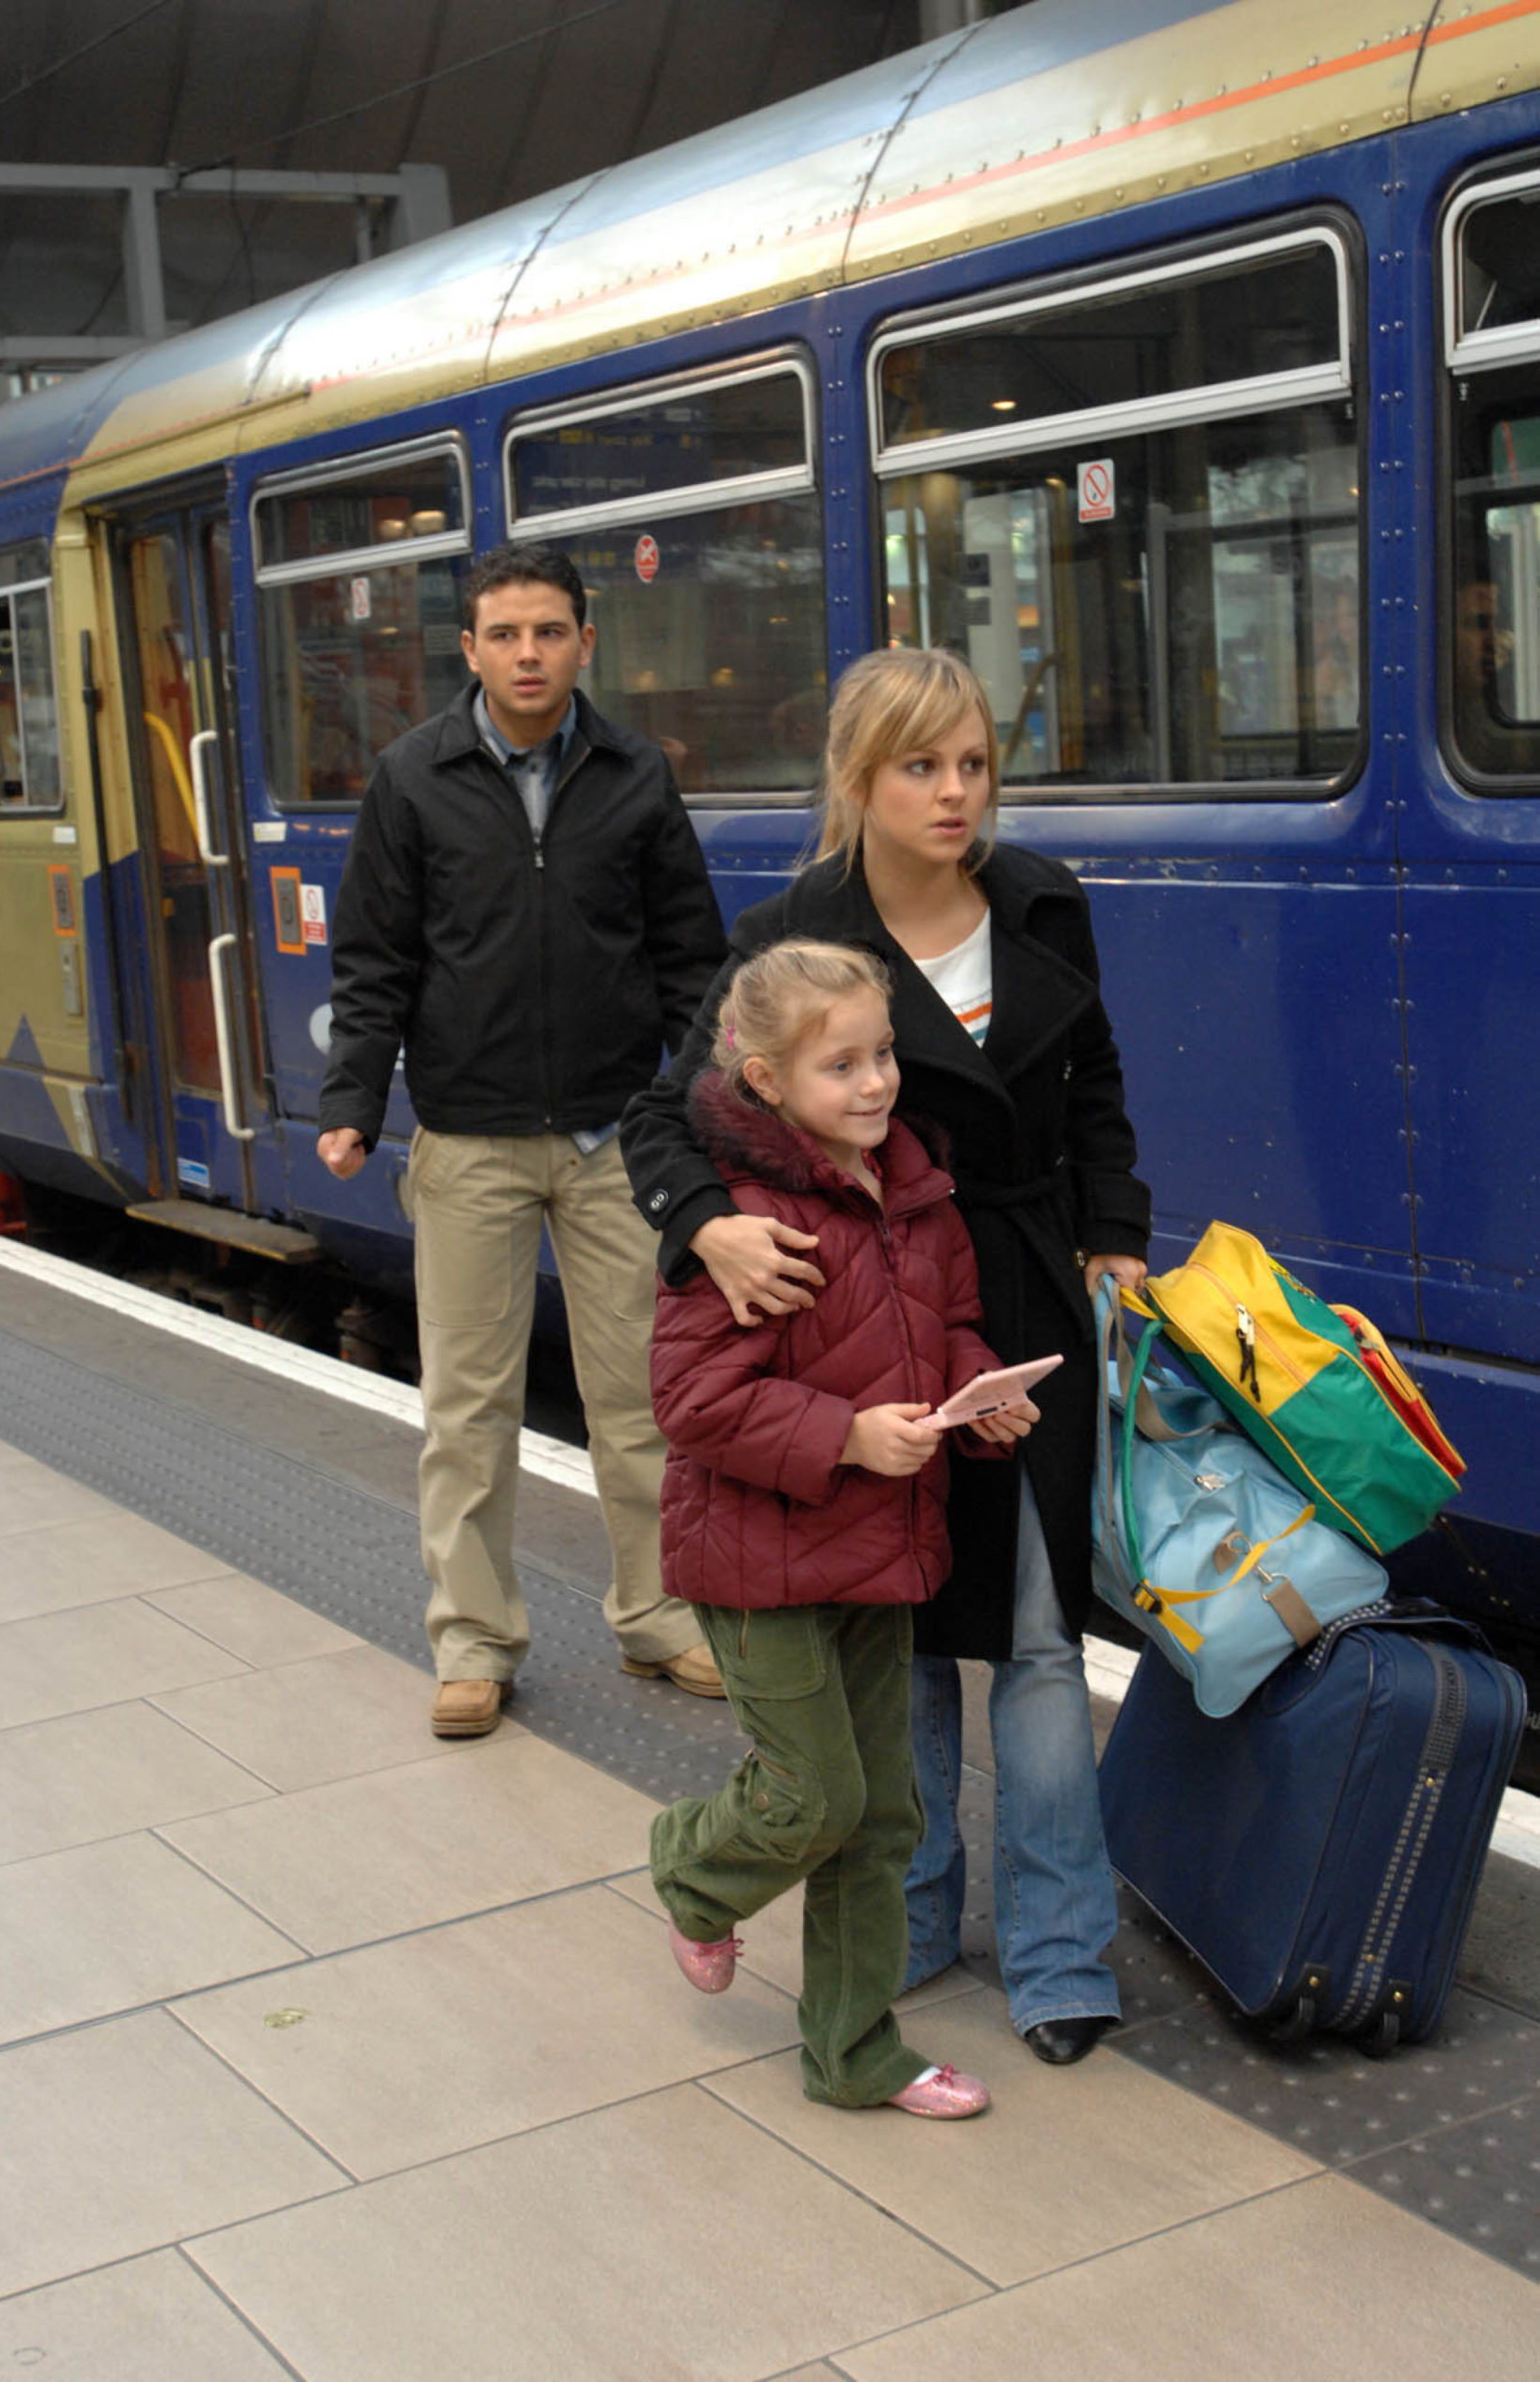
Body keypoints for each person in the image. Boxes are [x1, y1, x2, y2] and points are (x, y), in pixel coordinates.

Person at [623, 645, 1151, 2064]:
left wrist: (1115, 1235)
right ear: (858, 780)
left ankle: (1056, 1954)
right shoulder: (797, 929)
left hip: (1019, 1304)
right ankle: (912, 1919)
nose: (956, 792)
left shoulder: (1041, 900)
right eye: (921, 765)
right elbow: (666, 1110)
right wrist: (711, 1228)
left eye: (973, 763)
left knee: (1041, 1643)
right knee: (898, 1639)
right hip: (864, 1311)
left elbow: (1094, 1082)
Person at [317, 542, 729, 1737]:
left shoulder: (637, 772)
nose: (528, 654)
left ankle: (660, 1617)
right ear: (471, 651)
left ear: (586, 643)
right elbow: (375, 958)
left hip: (613, 1142)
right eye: (505, 634)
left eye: (549, 632)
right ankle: (475, 1640)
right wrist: (353, 1102)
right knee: (468, 1409)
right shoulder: (412, 776)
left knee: (642, 1401)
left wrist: (703, 1109)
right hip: (470, 1143)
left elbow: (689, 963)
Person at [649, 938, 1035, 2117]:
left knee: (881, 1815)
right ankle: (692, 1869)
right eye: (841, 1066)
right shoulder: (745, 1226)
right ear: (765, 1081)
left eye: (883, 1057)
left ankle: (856, 2052)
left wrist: (981, 1395)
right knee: (811, 1796)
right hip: (757, 1557)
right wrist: (846, 1435)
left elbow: (950, 1323)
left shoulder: (917, 1191)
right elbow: (692, 1399)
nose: (875, 1085)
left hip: (877, 1548)